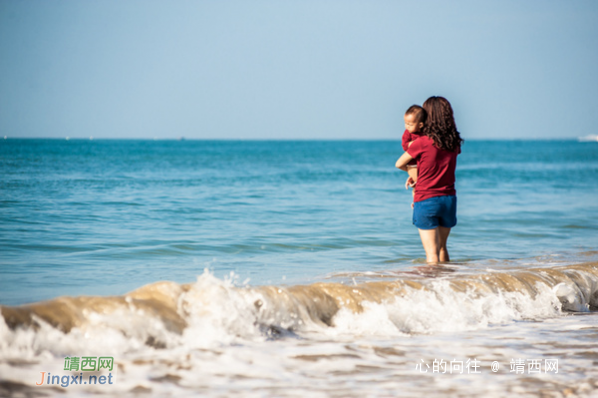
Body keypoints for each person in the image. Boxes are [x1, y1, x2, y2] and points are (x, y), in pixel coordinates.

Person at [395, 96, 463, 264]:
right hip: (448, 199)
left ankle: (433, 289)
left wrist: (412, 174)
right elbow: (435, 165)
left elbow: (399, 163)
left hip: (426, 200)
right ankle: (447, 284)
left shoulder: (422, 142)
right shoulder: (453, 143)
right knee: (442, 249)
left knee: (431, 254)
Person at [401, 105, 427, 204]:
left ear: (420, 125)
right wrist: (413, 144)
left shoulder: (425, 133)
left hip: (423, 162)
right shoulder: (408, 133)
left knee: (421, 182)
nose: (407, 126)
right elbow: (404, 146)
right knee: (417, 185)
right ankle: (415, 201)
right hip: (413, 163)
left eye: (410, 124)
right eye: (405, 123)